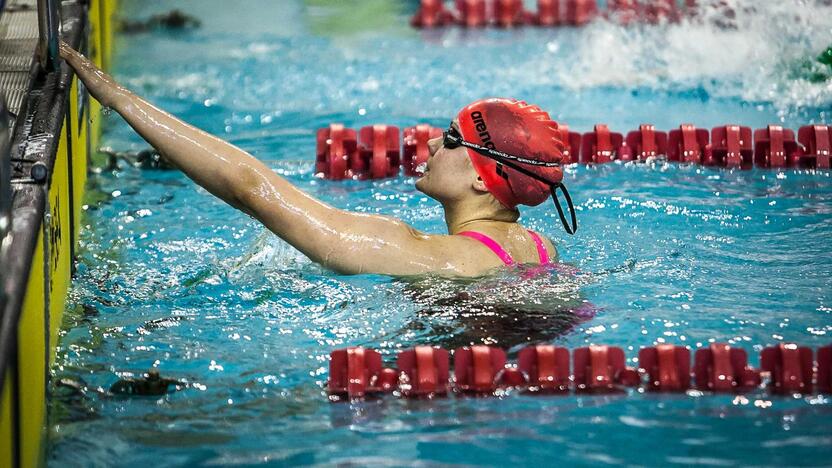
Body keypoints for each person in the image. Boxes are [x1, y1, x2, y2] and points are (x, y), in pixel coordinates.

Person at [60, 42, 576, 278]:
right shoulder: (538, 247)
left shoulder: (424, 255)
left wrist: (121, 100)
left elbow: (249, 187)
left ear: (487, 183)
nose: (434, 145)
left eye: (451, 138)